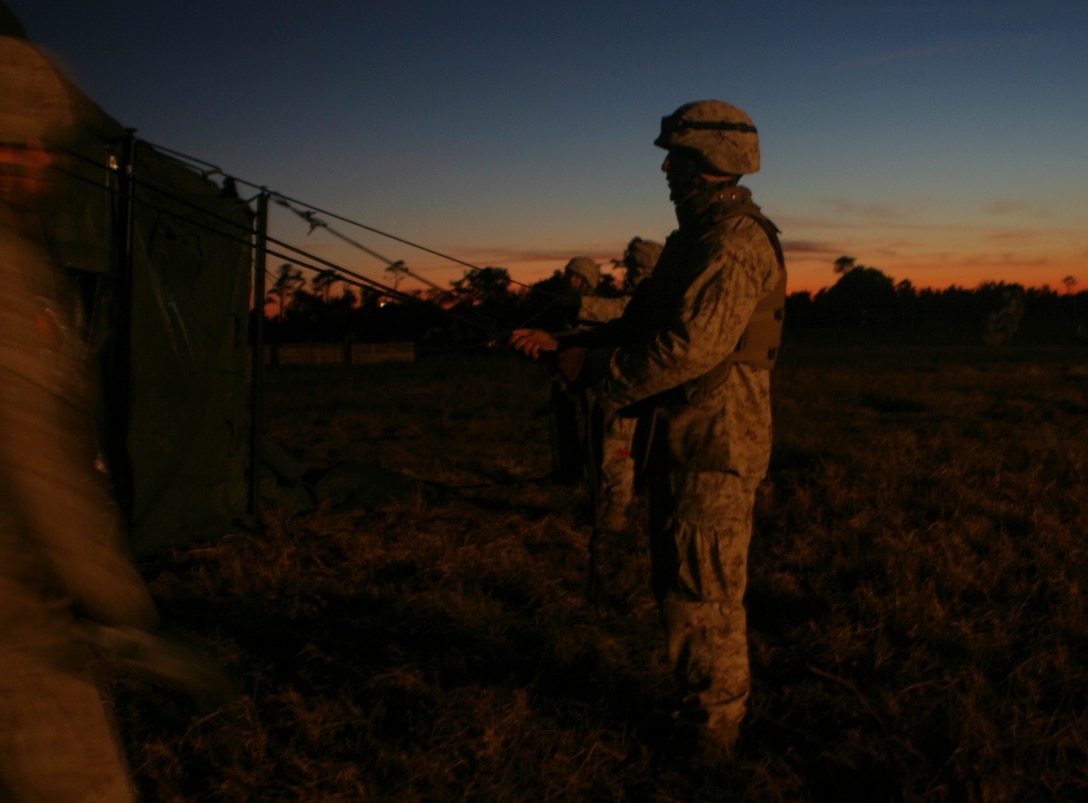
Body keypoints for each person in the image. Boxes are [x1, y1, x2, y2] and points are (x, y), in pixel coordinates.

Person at [511, 100, 786, 759]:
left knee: (705, 592)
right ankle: (700, 709)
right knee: (685, 585)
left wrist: (597, 370)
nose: (665, 167)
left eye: (679, 155)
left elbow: (692, 346)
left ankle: (710, 736)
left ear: (713, 160)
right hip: (692, 436)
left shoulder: (730, 241)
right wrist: (565, 341)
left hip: (715, 443)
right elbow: (644, 321)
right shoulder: (699, 239)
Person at [0, 32, 158, 801]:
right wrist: (113, 594)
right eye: (12, 145)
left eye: (37, 145)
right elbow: (30, 448)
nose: (32, 163)